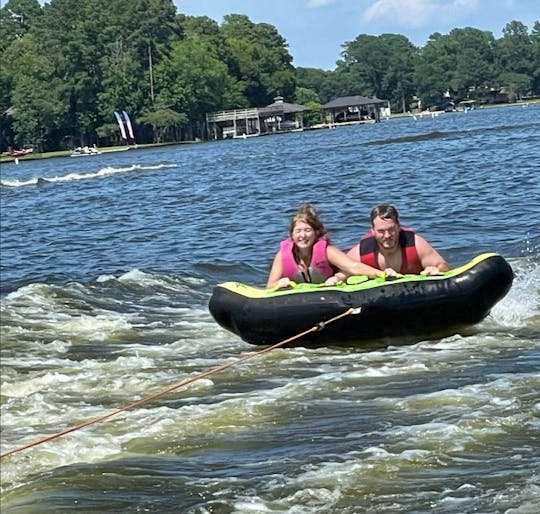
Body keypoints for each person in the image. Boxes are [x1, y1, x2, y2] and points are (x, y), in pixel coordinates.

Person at [266, 204, 383, 288]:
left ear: (316, 233)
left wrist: (382, 274)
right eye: (298, 231)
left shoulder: (327, 251)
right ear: (291, 235)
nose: (302, 235)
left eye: (307, 230)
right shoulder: (282, 256)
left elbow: (353, 267)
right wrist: (279, 284)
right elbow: (270, 285)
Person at [346, 204, 450, 276]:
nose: (387, 235)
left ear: (398, 227)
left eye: (391, 229)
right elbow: (341, 273)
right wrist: (336, 279)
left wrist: (436, 269)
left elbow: (444, 266)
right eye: (381, 231)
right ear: (373, 231)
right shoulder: (361, 252)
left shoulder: (416, 244)